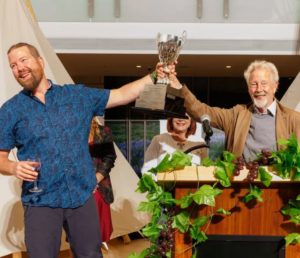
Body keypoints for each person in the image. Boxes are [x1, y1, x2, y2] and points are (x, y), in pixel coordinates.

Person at [0, 42, 169, 258]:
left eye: (23, 60)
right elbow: (1, 159)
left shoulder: (76, 96)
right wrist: (13, 167)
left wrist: (155, 75)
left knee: (90, 255)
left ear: (40, 61)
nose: (19, 68)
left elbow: (121, 94)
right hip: (40, 201)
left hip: (81, 197)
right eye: (13, 65)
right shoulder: (10, 110)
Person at [168, 60, 300, 161]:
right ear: (248, 88)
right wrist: (179, 87)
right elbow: (201, 110)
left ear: (275, 86)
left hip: (279, 189)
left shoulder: (293, 119)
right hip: (240, 187)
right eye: (254, 84)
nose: (259, 89)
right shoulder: (236, 114)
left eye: (264, 83)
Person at [142, 115, 207, 174]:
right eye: (177, 115)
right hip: (162, 186)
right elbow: (148, 169)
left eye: (185, 116)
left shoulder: (200, 142)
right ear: (171, 120)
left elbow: (205, 170)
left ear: (191, 121)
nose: (181, 119)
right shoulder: (158, 139)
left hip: (193, 186)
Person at [89, 116, 116, 249]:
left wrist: (96, 179)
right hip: (77, 186)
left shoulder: (103, 131)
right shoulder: (68, 130)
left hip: (99, 185)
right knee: (78, 235)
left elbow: (110, 157)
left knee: (98, 234)